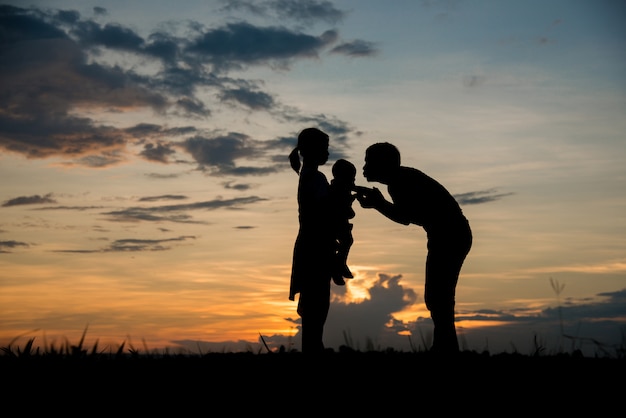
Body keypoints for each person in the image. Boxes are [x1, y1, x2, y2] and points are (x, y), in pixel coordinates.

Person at [354, 142, 472, 354]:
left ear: (383, 164)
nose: (364, 167)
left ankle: (446, 348)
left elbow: (405, 217)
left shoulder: (400, 182)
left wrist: (378, 204)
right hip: (449, 235)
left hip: (450, 235)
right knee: (438, 296)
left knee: (439, 296)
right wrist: (378, 203)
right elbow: (409, 215)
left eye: (368, 162)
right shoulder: (401, 179)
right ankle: (445, 346)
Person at [288, 127, 336, 353]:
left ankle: (313, 349)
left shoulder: (309, 176)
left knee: (314, 306)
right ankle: (312, 351)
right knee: (316, 306)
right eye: (324, 149)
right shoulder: (314, 178)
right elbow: (325, 209)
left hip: (311, 244)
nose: (327, 153)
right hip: (315, 247)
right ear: (313, 150)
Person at [328, 158, 357, 286]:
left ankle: (339, 265)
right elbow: (344, 207)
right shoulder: (340, 189)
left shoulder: (340, 188)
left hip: (340, 222)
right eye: (352, 178)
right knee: (346, 241)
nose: (353, 181)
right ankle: (338, 265)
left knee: (346, 241)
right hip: (338, 222)